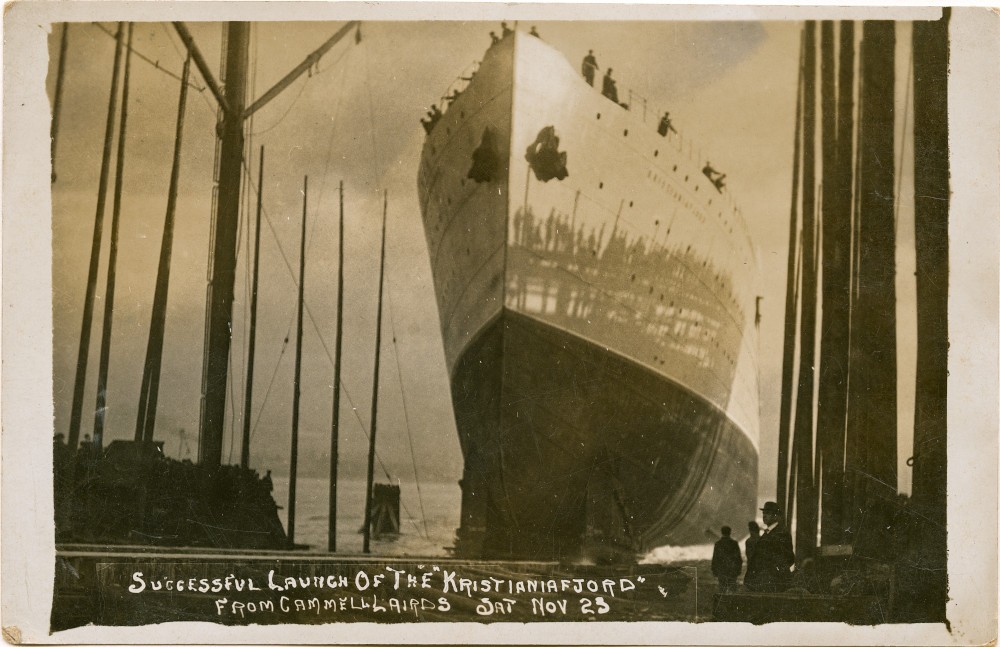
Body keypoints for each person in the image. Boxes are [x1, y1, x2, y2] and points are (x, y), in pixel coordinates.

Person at [744, 501, 795, 592]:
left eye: (768, 513)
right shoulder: (768, 533)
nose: (764, 516)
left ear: (776, 516)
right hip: (764, 581)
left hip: (773, 582)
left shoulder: (781, 533)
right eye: (764, 513)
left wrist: (774, 573)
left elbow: (789, 558)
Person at [711, 526, 743, 594]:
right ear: (730, 532)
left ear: (722, 532)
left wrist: (714, 570)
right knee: (733, 590)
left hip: (721, 571)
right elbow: (738, 558)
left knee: (722, 590)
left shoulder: (718, 544)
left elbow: (715, 558)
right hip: (732, 571)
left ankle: (723, 604)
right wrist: (738, 570)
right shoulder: (734, 543)